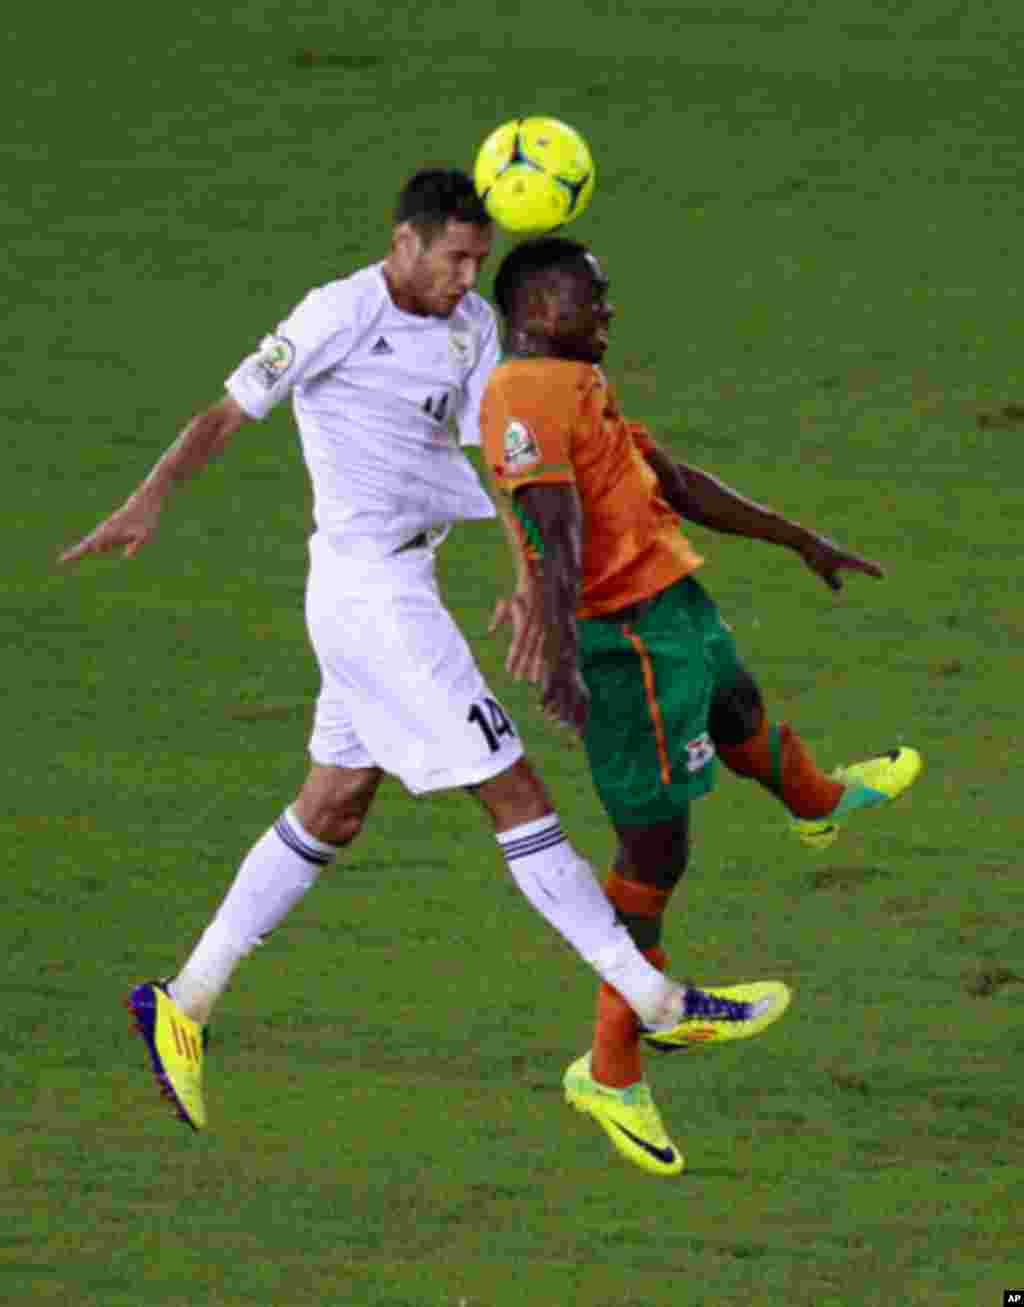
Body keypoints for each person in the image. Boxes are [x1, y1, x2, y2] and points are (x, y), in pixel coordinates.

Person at [58, 172, 789, 1157]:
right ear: (403, 242)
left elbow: (506, 456)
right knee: (516, 791)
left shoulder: (469, 329)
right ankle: (653, 996)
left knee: (336, 801)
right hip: (371, 598)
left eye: (479, 261)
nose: (465, 277)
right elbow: (225, 412)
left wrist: (532, 581)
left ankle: (183, 1000)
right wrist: (148, 500)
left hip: (399, 586)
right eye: (452, 257)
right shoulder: (336, 314)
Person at [480, 236, 922, 1177]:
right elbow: (552, 533)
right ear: (538, 308)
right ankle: (611, 1064)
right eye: (592, 300)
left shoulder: (575, 383)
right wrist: (560, 655)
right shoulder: (523, 395)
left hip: (671, 607)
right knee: (655, 846)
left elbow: (668, 479)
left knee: (736, 702)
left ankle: (816, 804)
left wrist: (800, 538)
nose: (608, 313)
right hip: (622, 641)